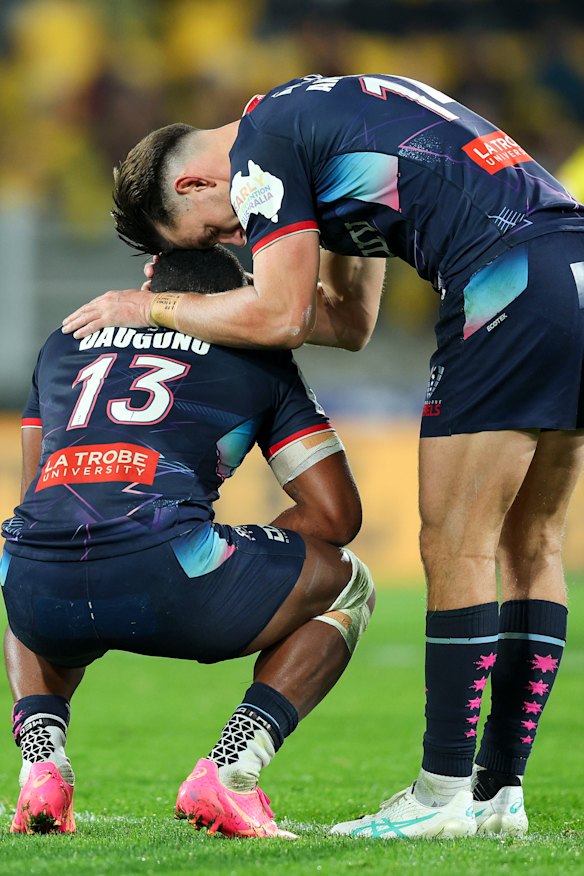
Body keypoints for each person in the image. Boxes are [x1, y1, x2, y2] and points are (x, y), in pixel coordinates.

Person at [61, 74, 584, 840]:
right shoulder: (317, 120)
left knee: (453, 542)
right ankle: (496, 794)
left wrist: (148, 307)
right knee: (531, 542)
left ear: (199, 180)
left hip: (503, 285)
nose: (229, 240)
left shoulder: (261, 146)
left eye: (208, 233)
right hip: (569, 265)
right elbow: (345, 320)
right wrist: (214, 299)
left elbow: (280, 312)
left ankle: (441, 795)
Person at [1, 245, 376, 837]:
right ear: (237, 299)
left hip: (36, 583)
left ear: (151, 284)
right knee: (350, 583)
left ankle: (41, 763)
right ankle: (230, 771)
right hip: (173, 570)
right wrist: (245, 550)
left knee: (34, 551)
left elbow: (34, 498)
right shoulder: (258, 355)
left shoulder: (63, 341)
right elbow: (336, 515)